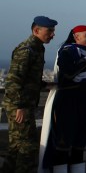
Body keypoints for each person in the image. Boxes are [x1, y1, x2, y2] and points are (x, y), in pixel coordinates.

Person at [43, 25, 86, 173]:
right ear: (76, 36)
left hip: (85, 100)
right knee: (63, 145)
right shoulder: (66, 51)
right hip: (68, 101)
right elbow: (69, 73)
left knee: (80, 144)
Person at [2, 15, 57, 173]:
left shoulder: (38, 48)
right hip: (19, 107)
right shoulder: (27, 50)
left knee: (16, 147)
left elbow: (29, 79)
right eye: (50, 31)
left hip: (24, 105)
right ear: (36, 30)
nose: (53, 35)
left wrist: (46, 85)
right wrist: (20, 106)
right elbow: (14, 81)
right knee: (28, 147)